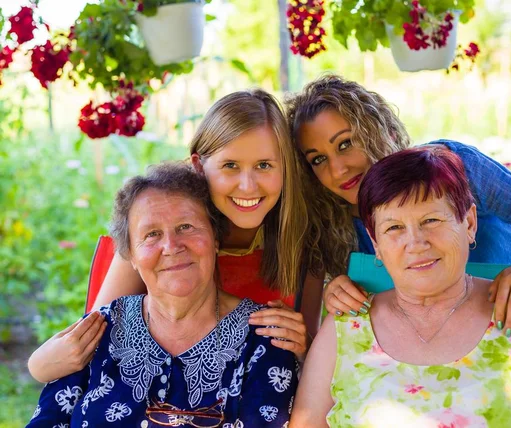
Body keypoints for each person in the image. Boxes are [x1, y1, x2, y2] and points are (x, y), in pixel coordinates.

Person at [291, 147, 511, 427]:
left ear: (468, 223)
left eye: (431, 220)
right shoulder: (345, 329)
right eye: (394, 228)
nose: (416, 243)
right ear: (377, 244)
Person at [28, 89, 321, 384]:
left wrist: (303, 346)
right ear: (198, 165)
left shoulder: (302, 239)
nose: (247, 186)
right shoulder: (160, 237)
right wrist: (37, 366)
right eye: (230, 165)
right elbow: (89, 345)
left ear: (286, 168)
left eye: (264, 165)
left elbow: (310, 359)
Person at [286, 74, 511, 335]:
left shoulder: (457, 168)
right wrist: (337, 293)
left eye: (346, 144)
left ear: (380, 131)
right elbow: (314, 337)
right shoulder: (329, 222)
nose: (338, 169)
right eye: (318, 159)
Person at [27, 162, 298, 428]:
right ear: (130, 255)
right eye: (152, 234)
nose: (171, 246)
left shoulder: (264, 338)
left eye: (186, 227)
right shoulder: (97, 332)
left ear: (215, 238)